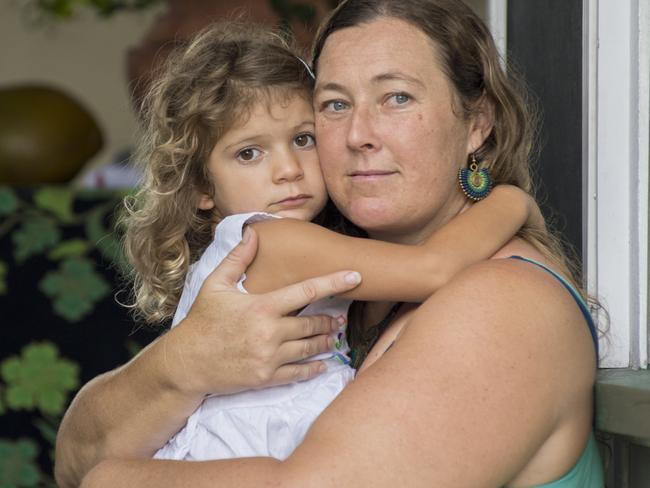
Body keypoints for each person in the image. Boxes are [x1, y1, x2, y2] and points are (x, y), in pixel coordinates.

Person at [57, 0, 604, 486]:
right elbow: (72, 456)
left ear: (477, 123)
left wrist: (116, 479)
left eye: (396, 97)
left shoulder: (504, 305)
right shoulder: (329, 281)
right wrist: (182, 362)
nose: (358, 134)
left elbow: (94, 469)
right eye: (335, 105)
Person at [123, 21, 535, 463]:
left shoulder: (290, 240)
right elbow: (432, 268)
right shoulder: (271, 240)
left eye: (302, 139)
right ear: (202, 187)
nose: (288, 169)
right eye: (249, 153)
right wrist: (514, 202)